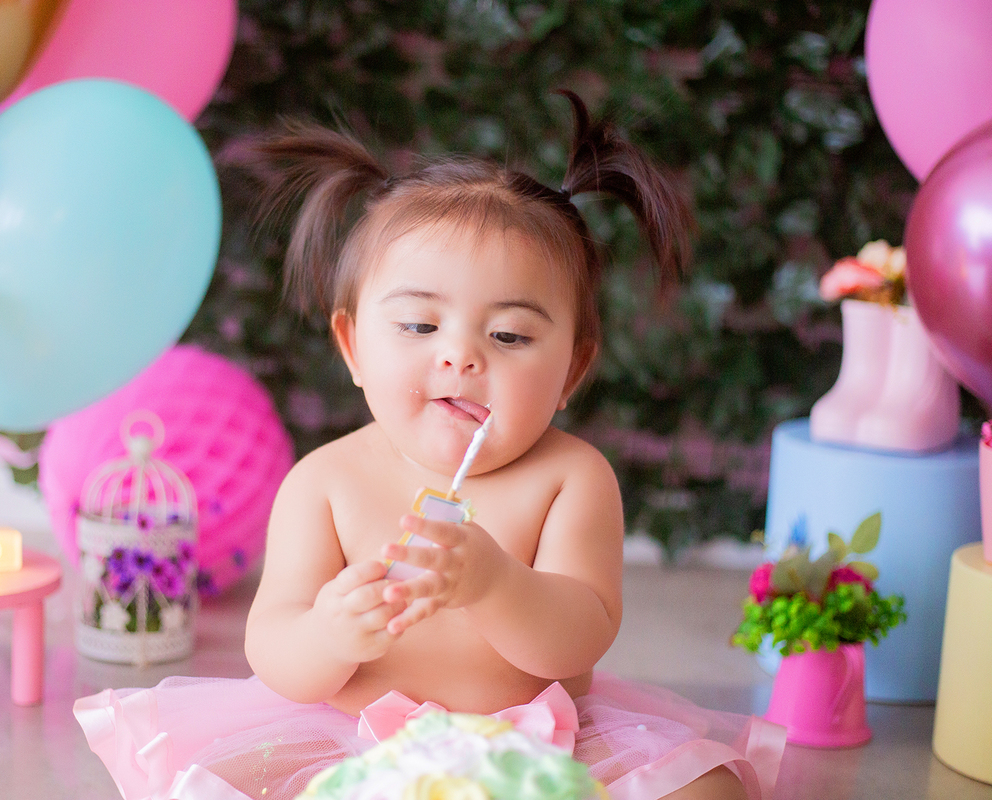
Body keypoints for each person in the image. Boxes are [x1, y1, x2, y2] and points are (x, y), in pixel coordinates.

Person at [75, 91, 785, 800]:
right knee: (211, 787)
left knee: (707, 788)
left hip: (537, 741)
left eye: (508, 335)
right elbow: (275, 651)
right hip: (352, 741)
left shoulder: (570, 479)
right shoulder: (327, 482)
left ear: (572, 370)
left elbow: (581, 636)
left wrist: (494, 584)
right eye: (419, 326)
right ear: (352, 345)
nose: (461, 356)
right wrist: (329, 635)